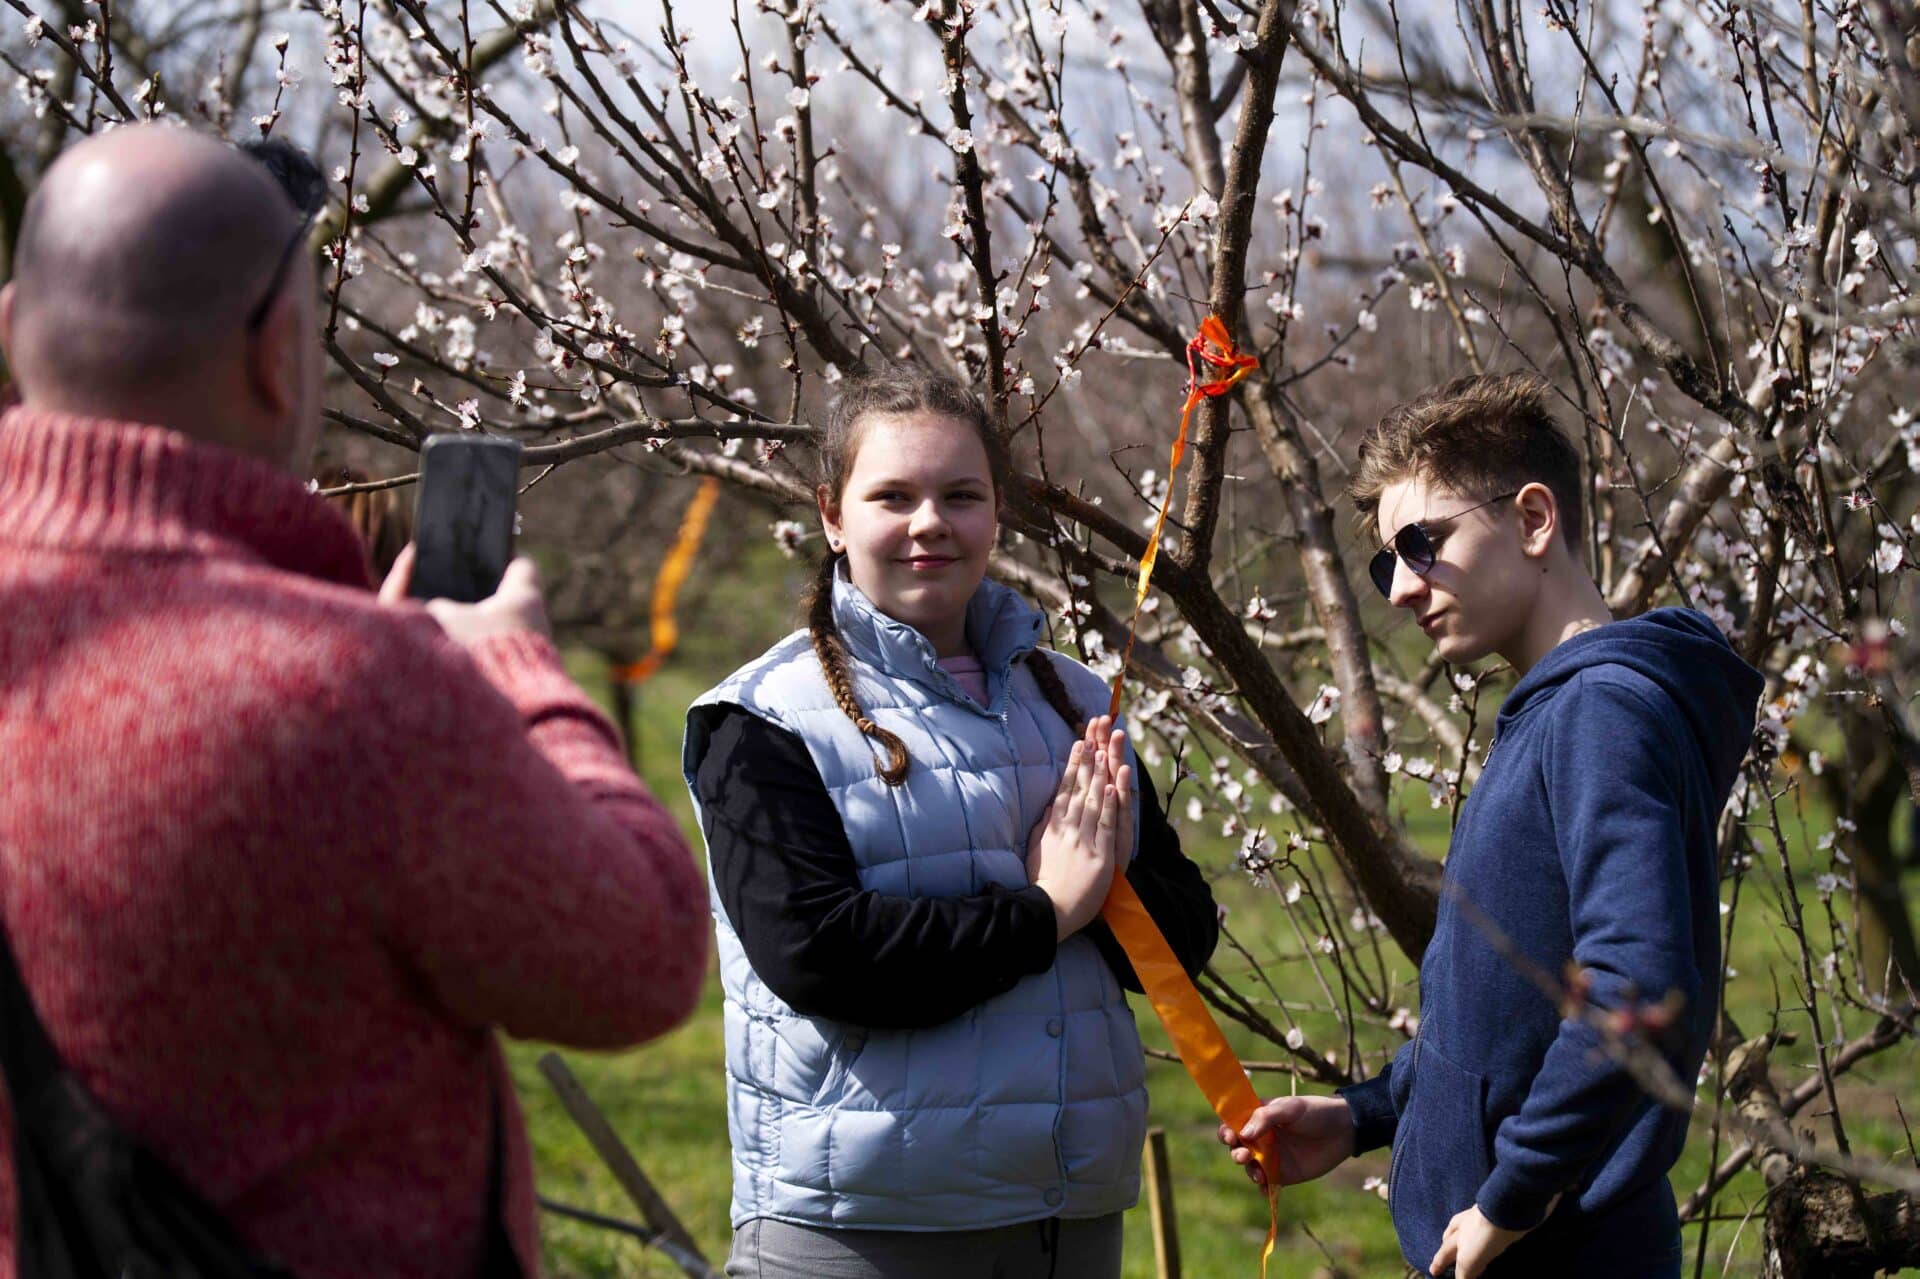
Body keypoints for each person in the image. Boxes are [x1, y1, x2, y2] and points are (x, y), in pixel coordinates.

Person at [0, 125, 708, 1276]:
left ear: (9, 328)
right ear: (282, 352)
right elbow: (642, 955)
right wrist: (515, 677)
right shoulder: (359, 693)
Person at [1220, 374, 1762, 1279]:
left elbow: (1637, 989)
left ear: (1534, 519)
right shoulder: (1559, 714)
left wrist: (1515, 1193)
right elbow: (1508, 1009)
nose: (1398, 588)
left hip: (1560, 1252)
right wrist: (1365, 1113)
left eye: (1421, 544)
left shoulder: (1600, 714)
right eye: (1383, 561)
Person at [682, 368, 1219, 1279]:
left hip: (1064, 1221)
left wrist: (1109, 881)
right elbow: (823, 954)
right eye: (892, 495)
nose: (930, 521)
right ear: (831, 515)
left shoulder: (1077, 699)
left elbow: (1183, 939)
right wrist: (1048, 908)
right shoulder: (762, 718)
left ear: (995, 513)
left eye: (960, 495)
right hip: (859, 1229)